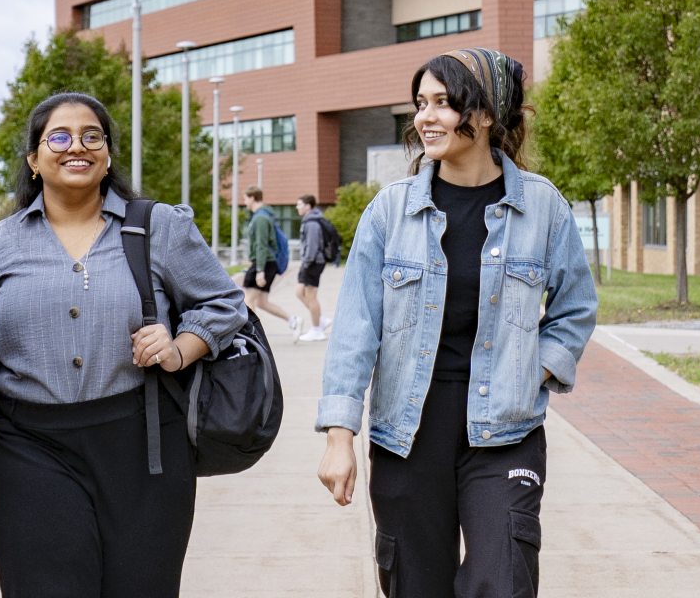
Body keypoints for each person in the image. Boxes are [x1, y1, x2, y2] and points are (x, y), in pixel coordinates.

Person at [317, 47, 597, 597]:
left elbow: (575, 308)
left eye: (444, 103)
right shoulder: (391, 211)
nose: (426, 117)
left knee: (505, 580)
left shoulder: (543, 207)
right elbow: (355, 329)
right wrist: (339, 434)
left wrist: (531, 371)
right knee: (415, 585)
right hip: (408, 433)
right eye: (420, 103)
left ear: (487, 113)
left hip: (507, 430)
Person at [0, 91, 245, 597]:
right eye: (58, 137)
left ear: (107, 155)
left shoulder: (158, 227)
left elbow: (224, 303)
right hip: (26, 450)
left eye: (91, 136)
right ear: (34, 160)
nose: (76, 147)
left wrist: (181, 344)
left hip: (144, 449)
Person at [240, 186, 299, 334]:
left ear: (253, 197)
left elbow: (261, 244)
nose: (244, 201)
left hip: (264, 263)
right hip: (267, 262)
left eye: (245, 198)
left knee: (248, 299)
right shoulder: (263, 216)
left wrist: (259, 270)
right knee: (261, 302)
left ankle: (253, 334)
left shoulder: (260, 218)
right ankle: (293, 320)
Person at [293, 193, 336, 341]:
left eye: (299, 205)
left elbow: (312, 247)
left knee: (311, 296)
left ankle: (317, 330)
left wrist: (305, 264)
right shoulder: (311, 220)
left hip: (312, 263)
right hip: (312, 262)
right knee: (299, 292)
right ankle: (320, 320)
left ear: (307, 206)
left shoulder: (311, 223)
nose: (297, 207)